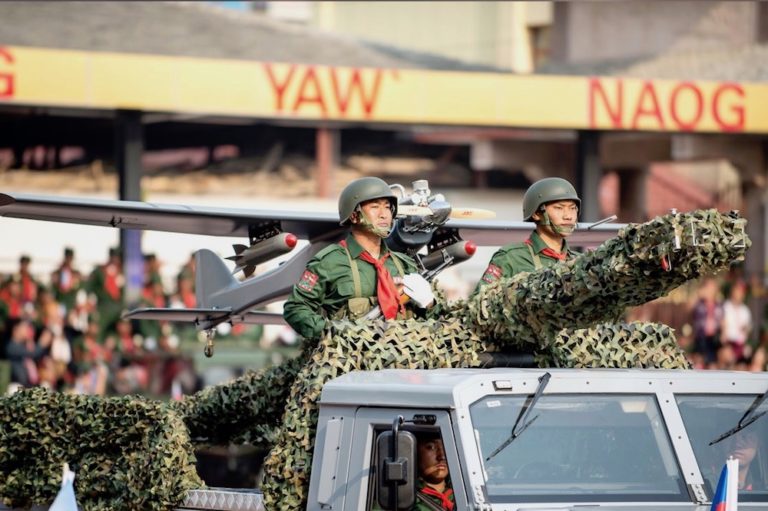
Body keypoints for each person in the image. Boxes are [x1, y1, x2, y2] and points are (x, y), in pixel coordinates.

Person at [283, 176, 436, 341]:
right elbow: (296, 308)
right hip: (350, 362)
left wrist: (429, 304)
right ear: (354, 216)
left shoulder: (404, 264)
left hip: (400, 361)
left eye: (387, 207)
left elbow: (435, 325)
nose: (384, 214)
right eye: (375, 207)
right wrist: (333, 334)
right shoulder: (329, 262)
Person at [474, 177, 580, 290]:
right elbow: (480, 302)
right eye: (559, 208)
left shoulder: (579, 263)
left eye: (572, 208)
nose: (568, 216)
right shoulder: (510, 258)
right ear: (536, 213)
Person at [414, 432, 454, 511]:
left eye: (447, 447)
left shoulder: (468, 494)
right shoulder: (400, 499)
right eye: (431, 447)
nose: (442, 456)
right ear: (414, 452)